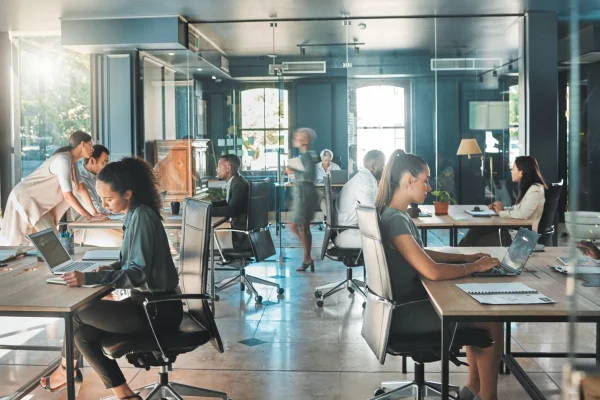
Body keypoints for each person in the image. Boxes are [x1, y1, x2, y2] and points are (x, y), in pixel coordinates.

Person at [39, 158, 182, 400]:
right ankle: (125, 394)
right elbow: (134, 262)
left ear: (127, 193)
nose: (104, 206)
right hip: (148, 305)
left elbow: (138, 274)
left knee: (74, 313)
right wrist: (111, 268)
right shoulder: (136, 213)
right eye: (101, 199)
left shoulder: (142, 217)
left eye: (109, 199)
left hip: (156, 310)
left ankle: (65, 371)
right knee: (82, 335)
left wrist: (90, 278)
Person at [376, 149, 503, 400]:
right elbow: (431, 271)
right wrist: (474, 268)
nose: (429, 186)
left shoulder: (394, 215)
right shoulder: (395, 220)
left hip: (396, 308)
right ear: (408, 181)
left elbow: (421, 253)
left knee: (474, 307)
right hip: (404, 314)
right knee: (489, 317)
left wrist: (465, 258)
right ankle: (487, 395)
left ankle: (473, 389)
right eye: (426, 180)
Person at [0, 131, 107, 246]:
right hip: (24, 198)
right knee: (13, 242)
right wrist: (89, 217)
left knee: (48, 242)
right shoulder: (63, 160)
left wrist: (94, 213)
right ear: (82, 144)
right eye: (90, 145)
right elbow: (68, 196)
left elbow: (81, 187)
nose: (92, 149)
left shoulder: (72, 162)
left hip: (38, 204)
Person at [460, 156, 547, 247]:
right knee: (475, 230)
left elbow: (523, 214)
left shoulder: (535, 190)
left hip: (522, 235)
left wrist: (501, 212)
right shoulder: (530, 188)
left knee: (475, 237)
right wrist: (499, 209)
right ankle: (458, 255)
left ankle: (458, 255)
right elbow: (517, 209)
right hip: (514, 229)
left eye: (513, 168)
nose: (511, 171)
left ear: (521, 172)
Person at [73, 144, 124, 247]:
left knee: (131, 234)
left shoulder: (98, 177)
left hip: (100, 221)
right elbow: (97, 210)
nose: (106, 166)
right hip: (84, 226)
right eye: (104, 162)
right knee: (121, 241)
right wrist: (120, 210)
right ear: (92, 161)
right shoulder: (81, 180)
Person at [334, 149, 386, 248]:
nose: (385, 169)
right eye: (383, 166)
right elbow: (371, 214)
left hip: (352, 230)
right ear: (374, 167)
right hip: (348, 233)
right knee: (394, 239)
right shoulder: (365, 181)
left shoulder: (367, 178)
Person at [286, 128, 319, 272]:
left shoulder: (306, 156)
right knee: (302, 227)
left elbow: (310, 175)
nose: (294, 137)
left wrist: (293, 171)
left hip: (304, 195)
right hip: (304, 194)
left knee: (297, 226)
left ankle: (308, 256)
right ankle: (307, 257)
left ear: (305, 140)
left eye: (297, 136)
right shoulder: (307, 155)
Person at [212, 154, 250, 252]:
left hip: (239, 238)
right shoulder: (237, 181)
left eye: (219, 166)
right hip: (240, 233)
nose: (217, 169)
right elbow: (231, 202)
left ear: (228, 168)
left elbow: (231, 210)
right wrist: (212, 205)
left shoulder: (239, 185)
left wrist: (207, 210)